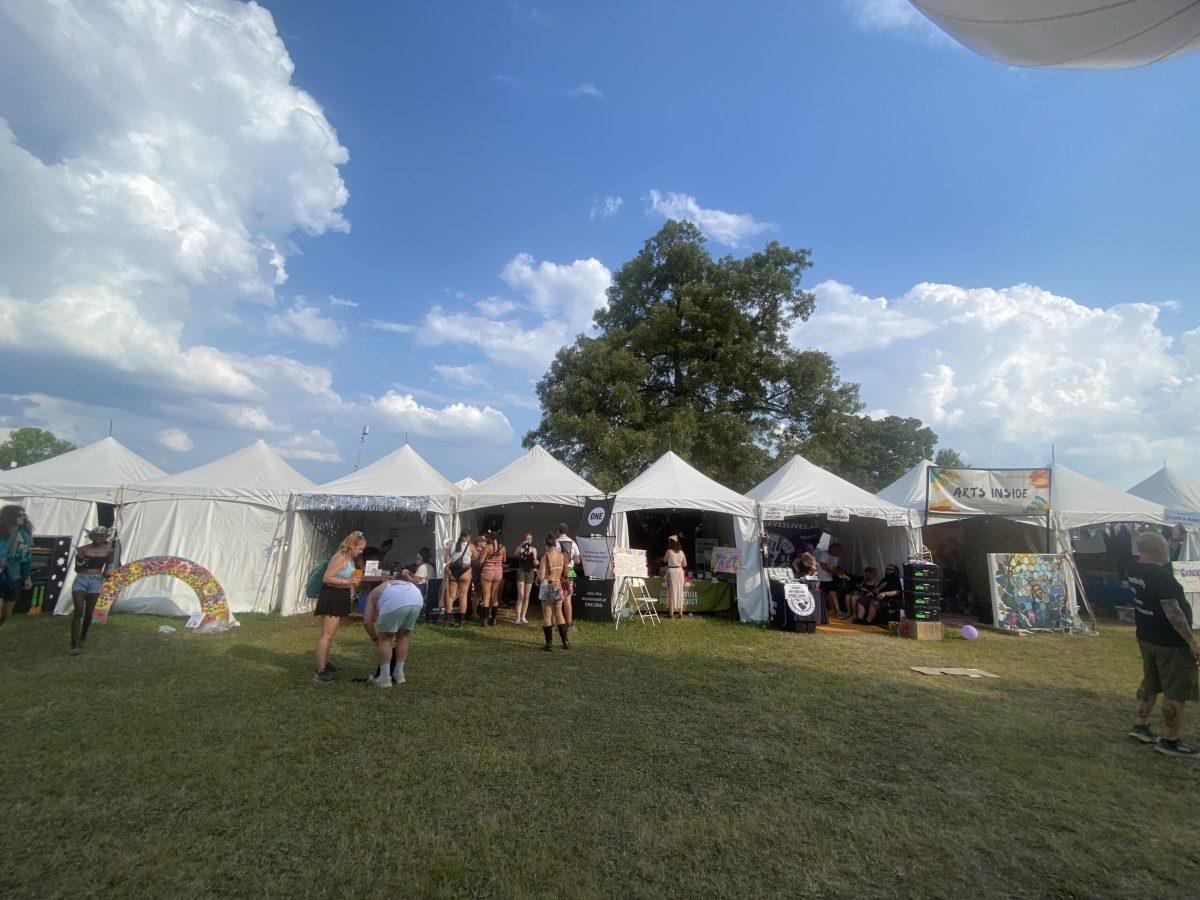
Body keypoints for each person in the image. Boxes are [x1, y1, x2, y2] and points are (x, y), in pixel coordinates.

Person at [1126, 531, 1199, 757]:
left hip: (1147, 636)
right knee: (1175, 691)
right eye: (1165, 546)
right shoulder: (1162, 577)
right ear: (1158, 550)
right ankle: (1170, 740)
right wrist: (1192, 641)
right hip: (1171, 642)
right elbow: (1173, 611)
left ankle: (1141, 725)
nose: (1168, 548)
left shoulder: (1134, 569)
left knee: (1150, 682)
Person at [313, 531, 364, 684]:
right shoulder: (340, 557)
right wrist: (347, 581)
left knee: (330, 635)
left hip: (340, 596)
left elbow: (349, 578)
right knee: (326, 635)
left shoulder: (349, 558)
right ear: (352, 545)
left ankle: (325, 663)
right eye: (360, 548)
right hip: (332, 596)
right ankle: (319, 672)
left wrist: (353, 583)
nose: (361, 552)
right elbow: (327, 578)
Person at [362, 570, 425, 688]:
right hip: (417, 600)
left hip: (394, 602)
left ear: (391, 578)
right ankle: (399, 673)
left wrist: (375, 638)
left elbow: (367, 621)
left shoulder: (379, 589)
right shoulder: (411, 585)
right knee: (403, 636)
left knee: (385, 639)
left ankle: (384, 677)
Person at [67, 526, 117, 653]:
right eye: (96, 536)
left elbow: (109, 566)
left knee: (89, 612)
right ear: (91, 536)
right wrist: (80, 561)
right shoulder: (83, 549)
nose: (98, 539)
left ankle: (83, 634)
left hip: (96, 580)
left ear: (105, 537)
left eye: (101, 536)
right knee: (78, 610)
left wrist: (108, 572)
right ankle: (74, 644)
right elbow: (77, 569)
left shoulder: (109, 551)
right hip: (81, 578)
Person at [0, 505, 33, 628]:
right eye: (19, 515)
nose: (22, 517)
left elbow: (27, 557)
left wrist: (27, 576)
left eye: (24, 515)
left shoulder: (25, 535)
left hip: (15, 576)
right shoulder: (1, 532)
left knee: (5, 615)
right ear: (9, 516)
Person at [538, 533, 570, 651]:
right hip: (557, 585)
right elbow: (564, 572)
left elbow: (542, 577)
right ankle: (565, 641)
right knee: (559, 613)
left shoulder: (545, 558)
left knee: (547, 614)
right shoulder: (561, 556)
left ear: (546, 545)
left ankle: (549, 644)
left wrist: (538, 574)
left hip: (547, 584)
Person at [443, 530, 473, 626]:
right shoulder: (471, 546)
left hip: (453, 572)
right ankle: (462, 621)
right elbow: (476, 557)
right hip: (465, 572)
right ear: (468, 536)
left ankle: (447, 620)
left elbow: (446, 560)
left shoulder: (451, 545)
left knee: (451, 597)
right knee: (463, 596)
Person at [555, 523, 582, 630]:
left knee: (557, 598)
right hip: (570, 572)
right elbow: (578, 561)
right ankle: (569, 624)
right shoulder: (573, 543)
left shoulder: (555, 543)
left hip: (558, 572)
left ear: (558, 531)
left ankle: (557, 624)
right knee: (568, 598)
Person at [479, 531, 506, 626]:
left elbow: (481, 561)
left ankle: (485, 620)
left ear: (490, 538)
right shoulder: (503, 548)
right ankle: (493, 619)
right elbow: (505, 560)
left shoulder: (488, 547)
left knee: (486, 597)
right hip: (498, 573)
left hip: (487, 572)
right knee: (495, 597)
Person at [513, 532, 538, 625]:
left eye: (530, 538)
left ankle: (523, 616)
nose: (529, 540)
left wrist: (536, 562)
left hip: (530, 571)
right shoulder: (521, 549)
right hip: (521, 571)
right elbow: (515, 553)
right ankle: (517, 618)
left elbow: (535, 560)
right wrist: (522, 545)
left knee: (527, 596)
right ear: (524, 539)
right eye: (527, 538)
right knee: (521, 595)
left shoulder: (534, 549)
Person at [818, 542, 848, 618]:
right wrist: (835, 573)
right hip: (822, 578)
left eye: (839, 552)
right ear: (832, 549)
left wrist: (839, 572)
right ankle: (833, 610)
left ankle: (836, 610)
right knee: (828, 595)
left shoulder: (836, 557)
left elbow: (835, 567)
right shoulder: (824, 554)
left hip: (829, 579)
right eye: (837, 551)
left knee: (832, 593)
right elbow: (824, 566)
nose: (838, 553)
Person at [662, 535, 688, 619]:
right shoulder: (681, 552)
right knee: (680, 592)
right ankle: (680, 613)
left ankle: (671, 614)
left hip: (672, 571)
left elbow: (664, 560)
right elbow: (685, 564)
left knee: (671, 593)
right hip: (680, 571)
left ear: (671, 542)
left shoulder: (669, 551)